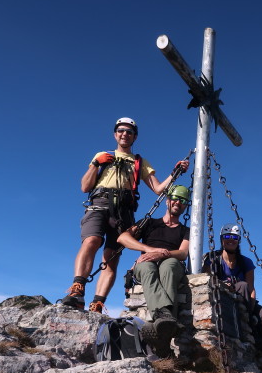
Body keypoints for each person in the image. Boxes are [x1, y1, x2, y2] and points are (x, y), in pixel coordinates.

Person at [61, 117, 188, 312]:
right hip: (100, 203)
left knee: (111, 257)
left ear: (134, 136)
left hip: (124, 210)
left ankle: (98, 302)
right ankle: (77, 289)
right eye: (121, 130)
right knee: (92, 241)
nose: (124, 134)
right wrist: (96, 163)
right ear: (115, 133)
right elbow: (85, 186)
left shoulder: (140, 162)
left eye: (129, 132)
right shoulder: (102, 156)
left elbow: (158, 188)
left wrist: (175, 172)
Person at [117, 185, 191, 357]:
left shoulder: (185, 231)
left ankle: (162, 330)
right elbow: (123, 238)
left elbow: (183, 253)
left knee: (169, 265)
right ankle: (165, 317)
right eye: (175, 199)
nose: (178, 203)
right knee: (147, 267)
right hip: (146, 262)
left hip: (170, 261)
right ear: (167, 201)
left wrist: (161, 254)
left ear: (185, 207)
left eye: (183, 201)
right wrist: (149, 250)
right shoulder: (149, 222)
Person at [201, 223, 262, 367]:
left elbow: (251, 288)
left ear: (238, 240)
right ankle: (249, 329)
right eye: (227, 236)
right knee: (242, 285)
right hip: (223, 298)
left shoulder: (245, 262)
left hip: (246, 300)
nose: (230, 240)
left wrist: (252, 308)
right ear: (222, 239)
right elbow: (206, 279)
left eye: (234, 237)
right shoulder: (213, 259)